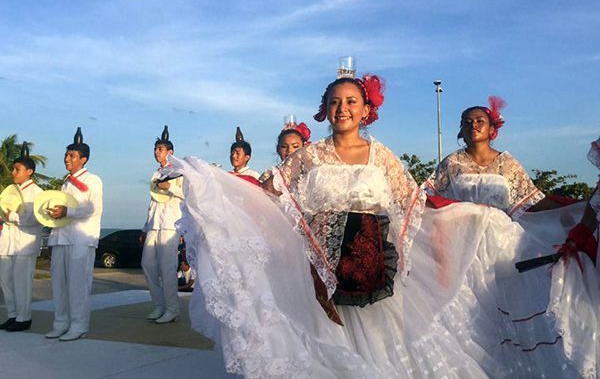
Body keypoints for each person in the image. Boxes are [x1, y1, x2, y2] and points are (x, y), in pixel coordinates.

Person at [166, 74, 510, 378]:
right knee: (323, 344)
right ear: (325, 109)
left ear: (365, 110)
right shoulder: (309, 155)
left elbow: (416, 203)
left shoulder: (383, 156)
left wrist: (473, 214)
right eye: (334, 102)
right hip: (317, 273)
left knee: (380, 350)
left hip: (371, 269)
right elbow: (266, 191)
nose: (342, 108)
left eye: (350, 101)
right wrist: (208, 182)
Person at [423, 98, 599, 377]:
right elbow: (431, 200)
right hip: (463, 242)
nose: (473, 125)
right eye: (467, 122)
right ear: (460, 130)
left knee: (505, 301)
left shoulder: (507, 163)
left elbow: (533, 201)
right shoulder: (451, 164)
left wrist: (576, 207)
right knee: (468, 305)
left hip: (501, 243)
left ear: (492, 128)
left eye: (479, 120)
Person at [45, 127, 103, 341]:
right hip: (61, 237)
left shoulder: (93, 180)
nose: (67, 159)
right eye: (66, 155)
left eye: (72, 156)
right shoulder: (65, 182)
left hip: (81, 238)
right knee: (59, 283)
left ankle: (79, 325)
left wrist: (68, 211)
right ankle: (60, 323)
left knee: (78, 284)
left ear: (83, 159)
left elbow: (94, 208)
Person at [140, 125, 184, 324]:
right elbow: (153, 200)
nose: (157, 153)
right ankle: (159, 304)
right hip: (154, 224)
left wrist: (171, 186)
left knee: (168, 268)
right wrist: (145, 226)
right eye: (156, 149)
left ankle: (172, 308)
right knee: (147, 264)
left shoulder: (179, 170)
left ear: (170, 152)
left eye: (161, 149)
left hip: (170, 223)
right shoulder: (155, 173)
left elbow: (186, 195)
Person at [0, 142, 44, 332]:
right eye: (14, 169)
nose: (14, 173)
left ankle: (23, 317)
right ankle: (12, 314)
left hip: (25, 242)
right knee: (5, 280)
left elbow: (38, 218)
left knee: (22, 282)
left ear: (29, 171)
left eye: (18, 169)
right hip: (7, 240)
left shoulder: (37, 193)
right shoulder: (9, 192)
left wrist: (14, 216)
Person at [258, 118, 311, 183]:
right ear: (278, 149)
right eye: (284, 147)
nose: (289, 150)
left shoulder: (312, 173)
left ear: (304, 148)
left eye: (295, 146)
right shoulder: (269, 176)